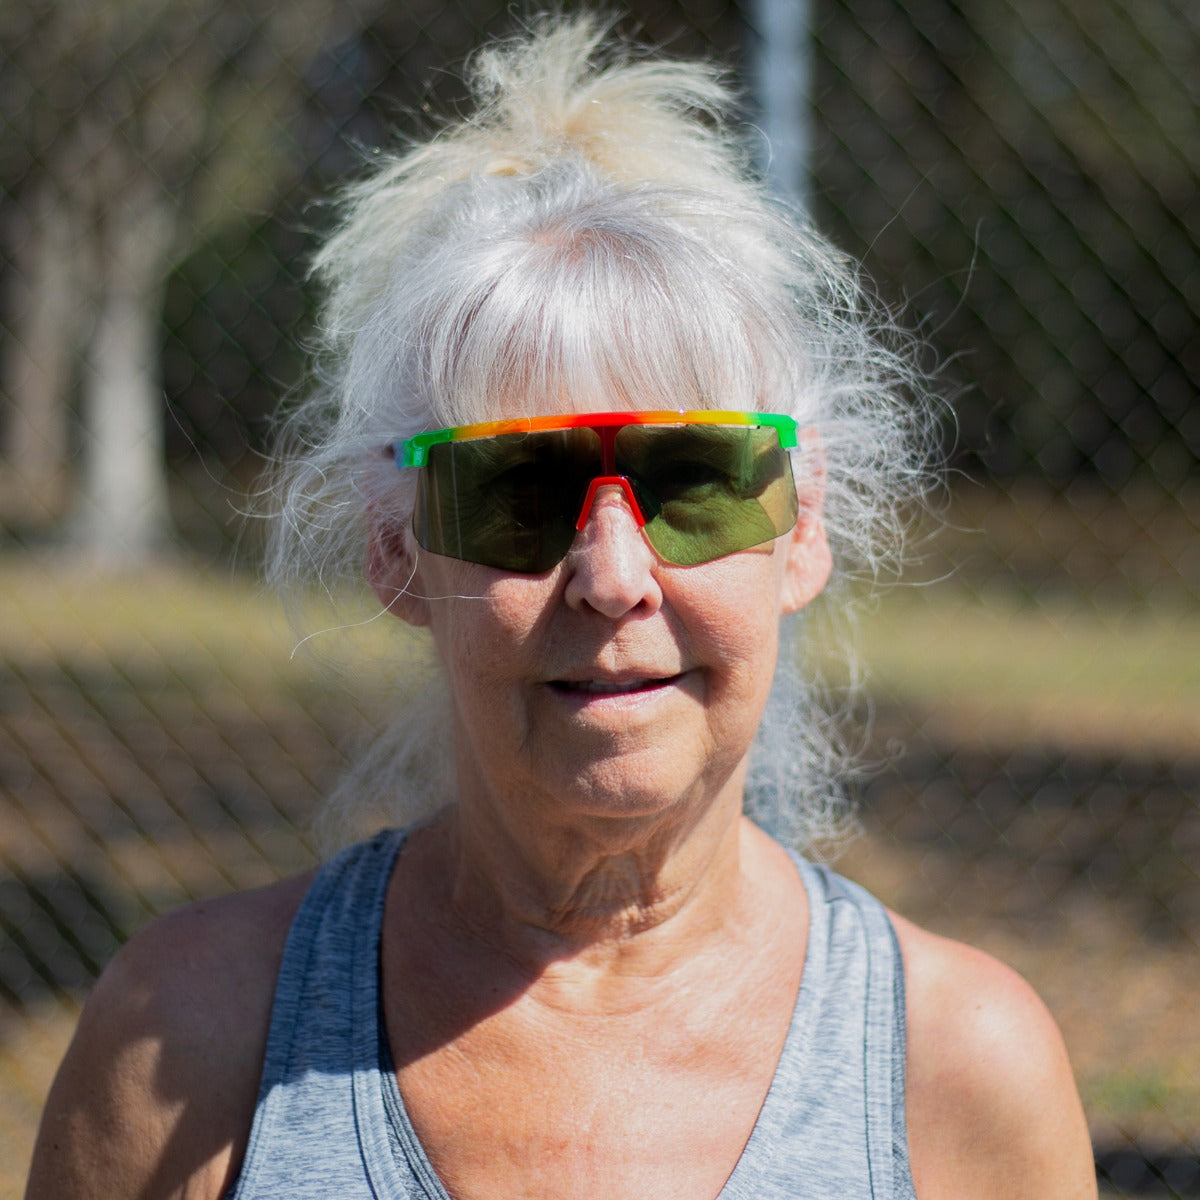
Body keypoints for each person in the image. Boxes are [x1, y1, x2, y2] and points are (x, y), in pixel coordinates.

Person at [25, 16, 1097, 1200]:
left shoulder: (959, 1072)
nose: (613, 575)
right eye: (519, 494)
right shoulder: (182, 1041)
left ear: (802, 534)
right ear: (397, 556)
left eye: (693, 481)